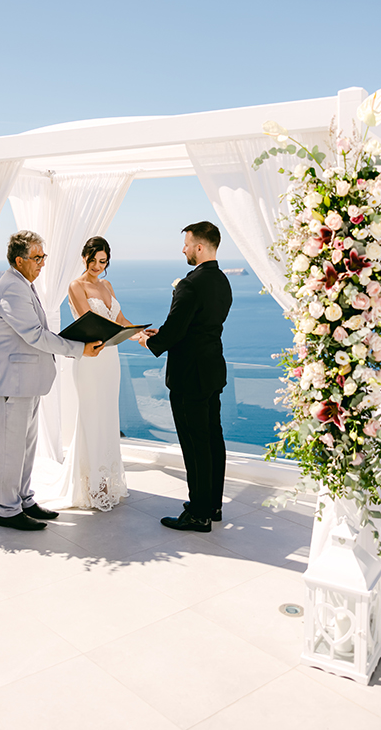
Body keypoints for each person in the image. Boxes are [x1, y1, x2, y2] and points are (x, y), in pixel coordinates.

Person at [0, 230, 102, 531]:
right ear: (19, 260)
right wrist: (77, 348)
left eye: (43, 257)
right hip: (10, 382)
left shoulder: (23, 284)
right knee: (11, 448)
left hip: (25, 381)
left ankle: (24, 499)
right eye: (37, 258)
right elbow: (33, 334)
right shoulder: (12, 288)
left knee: (26, 446)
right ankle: (8, 511)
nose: (42, 263)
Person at [140, 221, 232, 532]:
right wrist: (166, 334)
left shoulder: (190, 284)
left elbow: (176, 329)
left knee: (194, 444)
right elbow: (199, 326)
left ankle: (198, 514)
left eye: (187, 244)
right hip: (212, 370)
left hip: (189, 375)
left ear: (200, 247)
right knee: (213, 439)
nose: (183, 249)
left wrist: (150, 341)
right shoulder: (222, 281)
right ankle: (213, 505)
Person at [38, 236, 134, 511]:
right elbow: (90, 321)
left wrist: (139, 333)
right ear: (85, 258)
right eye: (93, 261)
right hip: (91, 359)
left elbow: (120, 320)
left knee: (107, 416)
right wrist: (119, 331)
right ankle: (92, 485)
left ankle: (106, 479)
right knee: (91, 416)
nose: (97, 266)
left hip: (110, 359)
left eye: (103, 262)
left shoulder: (107, 284)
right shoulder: (75, 286)